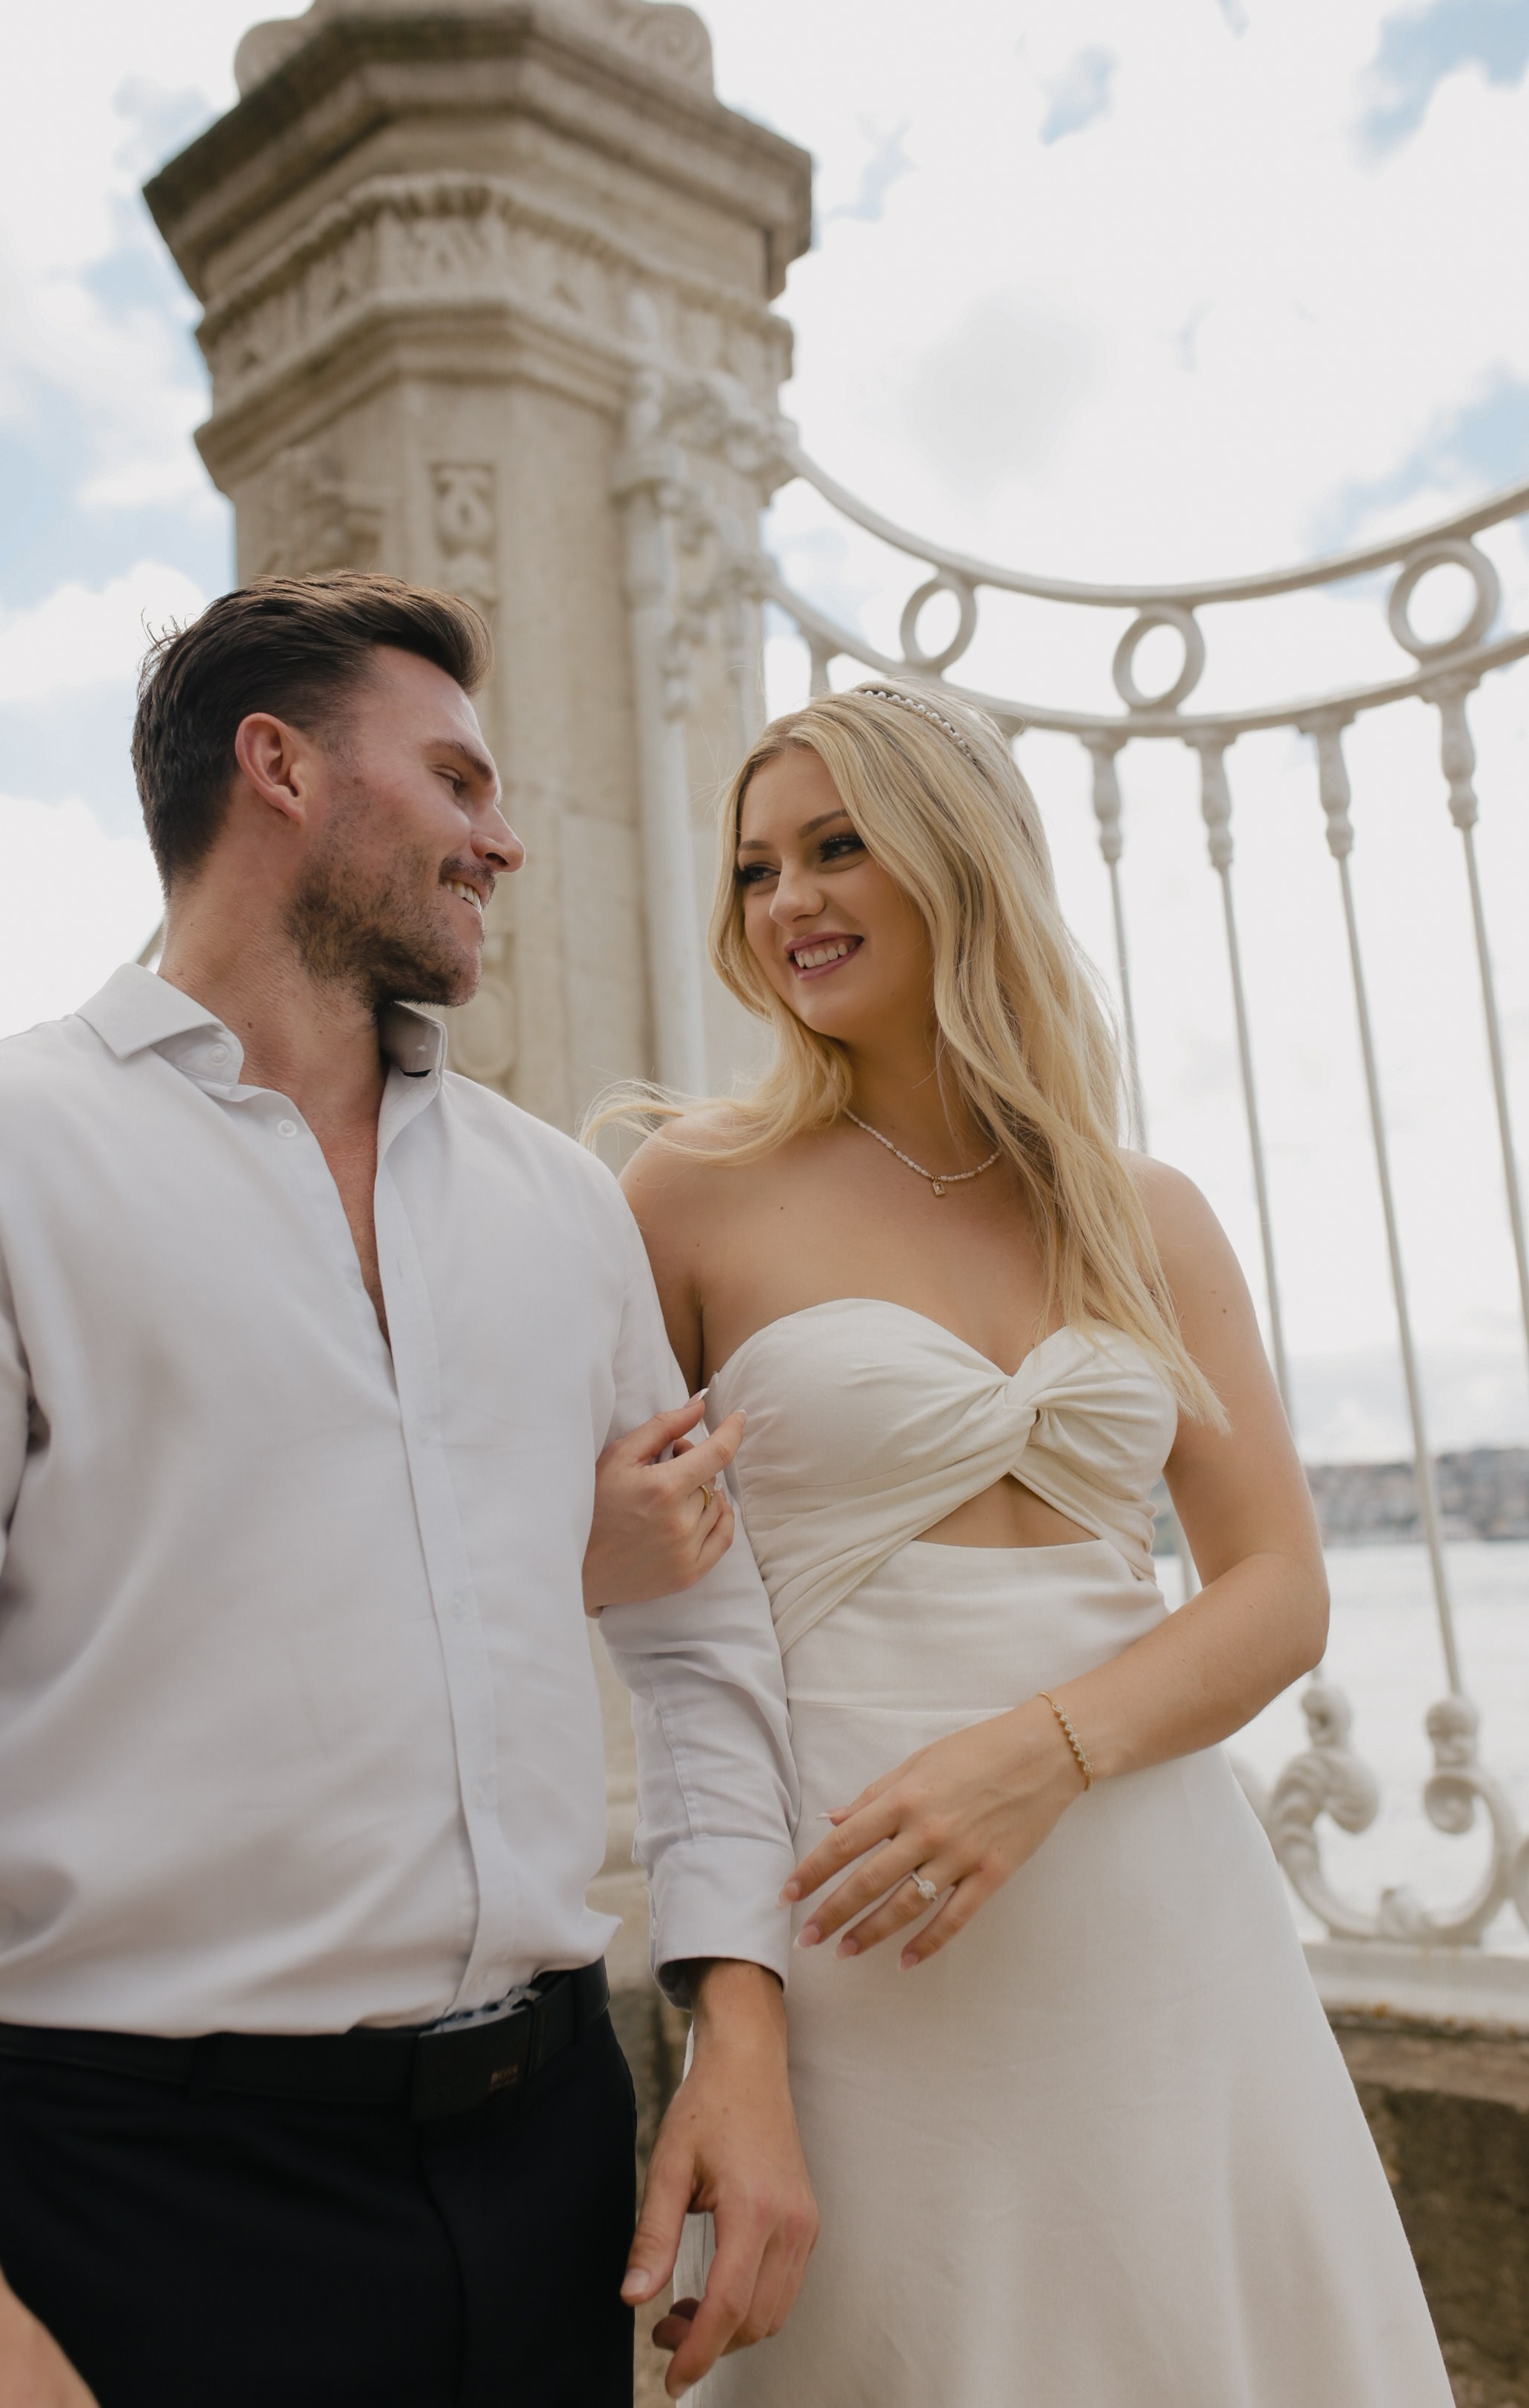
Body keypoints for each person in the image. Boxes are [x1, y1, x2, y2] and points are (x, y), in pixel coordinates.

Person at [0, 573, 816, 2408]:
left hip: (551, 2151)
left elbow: (704, 1637)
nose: (505, 838)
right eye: (461, 780)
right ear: (279, 768)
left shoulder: (560, 1201)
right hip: (135, 2187)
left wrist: (734, 2028)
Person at [615, 681, 1454, 2406]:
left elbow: (1279, 1587)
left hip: (1154, 1908)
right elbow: (630, 1605)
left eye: (838, 846)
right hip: (859, 1939)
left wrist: (1041, 1751)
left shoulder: (1139, 1209)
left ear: (962, 854)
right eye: (757, 864)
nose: (788, 902)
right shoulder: (685, 1194)